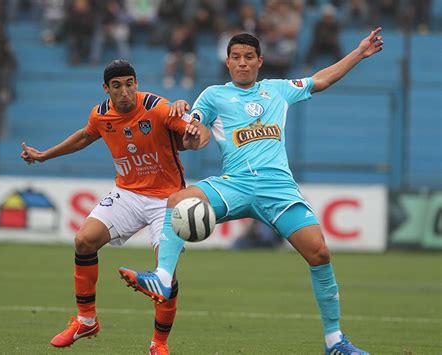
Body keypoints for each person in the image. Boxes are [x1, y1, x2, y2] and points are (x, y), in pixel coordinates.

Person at [119, 29, 384, 355]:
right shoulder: (213, 95)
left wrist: (359, 52)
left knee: (320, 253)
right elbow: (193, 134)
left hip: (278, 189)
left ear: (260, 61)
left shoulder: (278, 90)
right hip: (235, 184)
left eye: (248, 57)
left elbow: (321, 80)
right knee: (178, 200)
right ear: (227, 62)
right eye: (236, 58)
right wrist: (187, 127)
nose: (242, 63)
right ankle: (162, 276)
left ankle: (335, 342)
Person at [20, 59, 210, 354]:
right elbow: (85, 136)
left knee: (166, 274)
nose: (125, 92)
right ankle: (86, 321)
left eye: (129, 84)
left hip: (167, 199)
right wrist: (45, 155)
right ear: (106, 88)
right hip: (128, 194)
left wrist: (193, 132)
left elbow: (190, 136)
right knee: (84, 240)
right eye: (117, 86)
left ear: (136, 83)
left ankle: (159, 343)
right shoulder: (100, 115)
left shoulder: (156, 107)